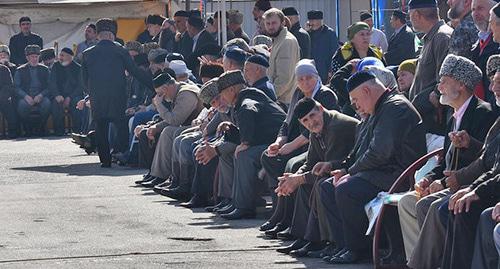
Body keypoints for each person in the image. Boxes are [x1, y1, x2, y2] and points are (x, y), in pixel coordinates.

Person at [398, 55, 497, 269]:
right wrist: (428, 178)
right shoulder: (453, 116)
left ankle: (424, 263)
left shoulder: (483, 113)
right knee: (407, 202)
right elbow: (445, 162)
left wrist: (469, 145)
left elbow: (487, 159)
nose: (439, 86)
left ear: (461, 85)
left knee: (431, 206)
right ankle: (423, 259)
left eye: (444, 80)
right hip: (452, 184)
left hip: (468, 183)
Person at [327, 71, 427, 264]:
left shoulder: (394, 107)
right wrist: (346, 169)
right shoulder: (380, 107)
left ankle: (360, 249)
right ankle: (344, 245)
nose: (355, 105)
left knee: (347, 189)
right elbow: (363, 150)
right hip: (382, 171)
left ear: (366, 90)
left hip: (399, 175)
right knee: (328, 186)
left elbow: (380, 153)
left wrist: (351, 172)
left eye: (356, 99)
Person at [273, 97, 359, 256]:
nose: (311, 122)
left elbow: (329, 168)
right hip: (335, 168)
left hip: (350, 170)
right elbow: (310, 163)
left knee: (320, 183)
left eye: (313, 115)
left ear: (320, 108)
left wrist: (299, 179)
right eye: (305, 121)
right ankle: (304, 237)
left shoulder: (336, 126)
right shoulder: (316, 129)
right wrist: (294, 177)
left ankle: (322, 241)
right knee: (303, 183)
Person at [214, 70, 286, 220]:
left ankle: (244, 206)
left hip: (279, 144)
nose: (222, 98)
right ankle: (235, 201)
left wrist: (245, 142)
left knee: (244, 155)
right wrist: (232, 130)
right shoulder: (246, 97)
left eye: (222, 93)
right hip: (267, 141)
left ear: (232, 89)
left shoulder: (247, 99)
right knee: (230, 153)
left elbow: (248, 110)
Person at [81, 18, 153, 168]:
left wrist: (91, 93)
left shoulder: (87, 54)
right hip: (117, 94)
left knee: (100, 126)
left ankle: (105, 160)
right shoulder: (121, 51)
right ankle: (119, 154)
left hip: (97, 96)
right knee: (120, 124)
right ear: (112, 35)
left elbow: (83, 79)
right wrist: (153, 85)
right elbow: (134, 71)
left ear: (98, 35)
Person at [141, 72, 203, 189]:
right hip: (189, 125)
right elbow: (174, 118)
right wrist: (156, 127)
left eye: (160, 94)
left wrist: (159, 105)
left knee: (169, 132)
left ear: (166, 88)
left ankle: (162, 175)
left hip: (199, 126)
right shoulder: (178, 92)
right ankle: (155, 173)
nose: (161, 97)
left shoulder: (186, 93)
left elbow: (175, 120)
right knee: (156, 131)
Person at [408, 0, 453, 138]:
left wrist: (431, 97)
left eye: (409, 15)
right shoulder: (432, 37)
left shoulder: (441, 36)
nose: (410, 20)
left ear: (416, 14)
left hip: (434, 118)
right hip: (425, 116)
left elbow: (445, 79)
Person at [265, 8, 300, 105]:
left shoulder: (286, 42)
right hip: (281, 100)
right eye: (268, 23)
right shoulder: (279, 40)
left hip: (284, 101)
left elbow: (284, 79)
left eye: (274, 23)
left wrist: (269, 97)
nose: (271, 26)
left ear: (283, 22)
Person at [14, 45, 51, 136]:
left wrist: (41, 95)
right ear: (27, 58)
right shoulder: (20, 70)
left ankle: (41, 127)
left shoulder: (45, 70)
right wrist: (25, 96)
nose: (34, 59)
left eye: (36, 57)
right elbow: (16, 87)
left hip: (41, 96)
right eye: (32, 57)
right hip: (26, 96)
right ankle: (27, 128)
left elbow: (50, 86)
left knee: (47, 103)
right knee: (22, 105)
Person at [471, 0, 500, 108]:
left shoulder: (495, 45)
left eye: (480, 8)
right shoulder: (476, 45)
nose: (475, 13)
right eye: (473, 9)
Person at [49, 48, 84, 135]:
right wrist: (57, 94)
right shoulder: (56, 66)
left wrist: (70, 97)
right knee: (56, 103)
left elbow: (80, 86)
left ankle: (77, 131)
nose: (60, 57)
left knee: (77, 102)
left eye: (62, 55)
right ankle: (59, 131)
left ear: (69, 57)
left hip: (74, 95)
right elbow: (52, 83)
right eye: (60, 55)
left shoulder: (78, 68)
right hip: (60, 94)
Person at [307, 10, 338, 84]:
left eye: (314, 20)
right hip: (311, 70)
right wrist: (307, 33)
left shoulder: (329, 33)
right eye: (310, 20)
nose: (312, 23)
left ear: (320, 21)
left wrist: (331, 70)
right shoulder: (307, 34)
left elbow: (335, 52)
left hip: (325, 71)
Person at [0, 62, 19, 138]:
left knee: (8, 104)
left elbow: (9, 86)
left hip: (2, 98)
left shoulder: (4, 69)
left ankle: (12, 130)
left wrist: (1, 96)